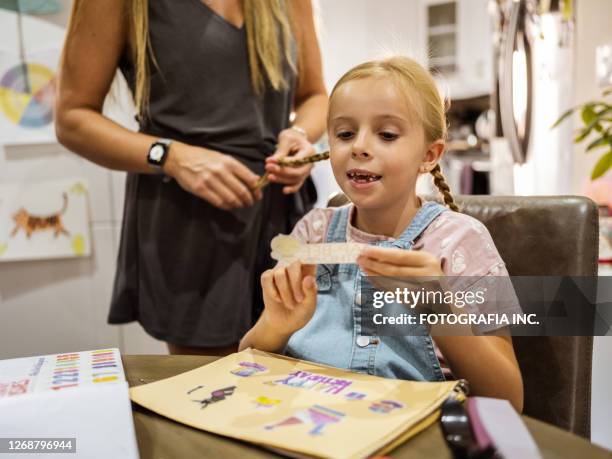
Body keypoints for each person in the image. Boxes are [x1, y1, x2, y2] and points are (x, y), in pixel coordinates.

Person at [239, 56, 524, 412]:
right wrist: (274, 327)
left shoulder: (461, 242)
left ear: (429, 155)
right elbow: (248, 365)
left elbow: (508, 399)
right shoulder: (312, 232)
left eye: (387, 134)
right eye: (344, 134)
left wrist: (439, 311)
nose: (359, 146)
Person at [55, 0, 327, 355]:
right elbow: (72, 118)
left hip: (282, 216)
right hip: (190, 227)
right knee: (213, 391)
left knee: (298, 376)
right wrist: (170, 156)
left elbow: (315, 95)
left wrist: (301, 136)